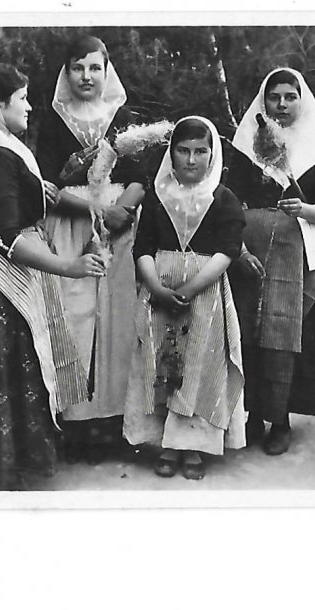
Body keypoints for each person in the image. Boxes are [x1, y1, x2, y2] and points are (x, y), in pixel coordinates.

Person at [0, 63, 105, 490]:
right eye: (22, 99)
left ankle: (3, 461)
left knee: (10, 366)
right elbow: (9, 238)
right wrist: (69, 266)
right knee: (5, 363)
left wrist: (43, 189)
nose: (29, 106)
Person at [36, 35, 146, 465]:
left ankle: (116, 423)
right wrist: (94, 208)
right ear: (67, 72)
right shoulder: (52, 117)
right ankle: (75, 423)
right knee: (74, 315)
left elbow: (141, 174)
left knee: (118, 320)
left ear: (107, 70)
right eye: (78, 68)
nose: (86, 76)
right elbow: (46, 186)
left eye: (94, 68)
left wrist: (121, 209)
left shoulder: (123, 116)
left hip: (120, 230)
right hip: (70, 226)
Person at [123, 116, 246, 481]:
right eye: (183, 151)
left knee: (198, 366)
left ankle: (193, 445)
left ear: (212, 154)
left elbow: (227, 251)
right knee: (160, 364)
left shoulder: (222, 199)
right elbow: (142, 248)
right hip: (159, 293)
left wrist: (191, 289)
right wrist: (158, 289)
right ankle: (165, 442)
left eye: (200, 151)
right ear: (172, 154)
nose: (191, 160)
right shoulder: (158, 197)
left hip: (204, 295)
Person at [227, 67, 315, 456]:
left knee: (286, 337)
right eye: (274, 97)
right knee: (249, 331)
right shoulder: (247, 146)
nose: (281, 104)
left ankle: (280, 419)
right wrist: (239, 250)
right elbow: (231, 202)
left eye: (289, 97)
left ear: (301, 100)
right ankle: (252, 417)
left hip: (298, 250)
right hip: (253, 251)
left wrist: (306, 208)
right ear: (264, 101)